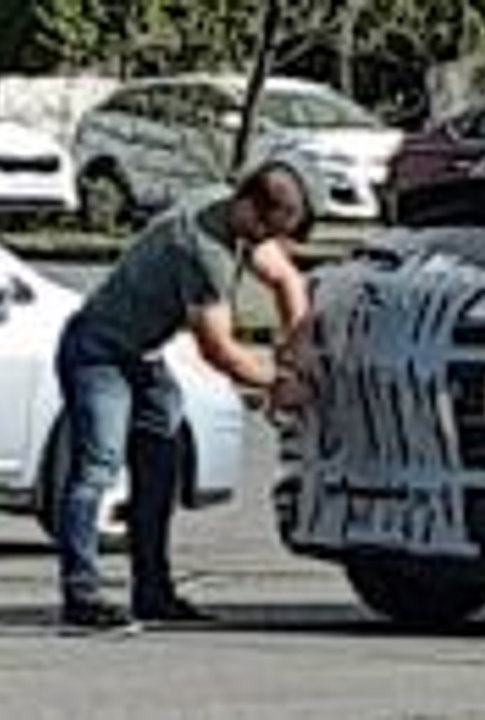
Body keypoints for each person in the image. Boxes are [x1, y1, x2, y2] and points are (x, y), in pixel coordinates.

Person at [55, 161, 314, 628]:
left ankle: (152, 592)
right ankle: (81, 594)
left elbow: (287, 281)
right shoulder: (201, 249)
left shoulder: (226, 206)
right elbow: (219, 351)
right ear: (247, 206)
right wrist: (278, 384)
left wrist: (296, 356)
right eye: (264, 230)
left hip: (144, 356)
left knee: (160, 467)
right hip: (98, 352)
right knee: (97, 467)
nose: (264, 243)